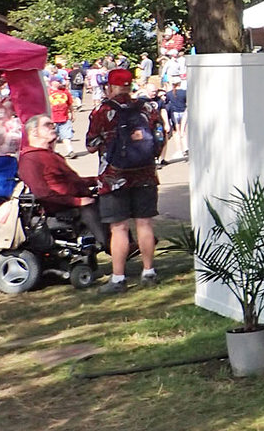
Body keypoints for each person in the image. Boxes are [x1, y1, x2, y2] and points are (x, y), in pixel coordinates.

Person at [85, 68, 165, 294]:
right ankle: (148, 272)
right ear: (130, 86)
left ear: (110, 87)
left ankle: (118, 278)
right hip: (146, 175)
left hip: (114, 179)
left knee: (119, 228)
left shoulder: (102, 111)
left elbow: (91, 145)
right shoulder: (148, 107)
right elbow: (160, 138)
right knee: (145, 224)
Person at [17, 114, 106, 250]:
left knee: (110, 198)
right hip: (59, 206)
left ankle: (124, 245)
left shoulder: (50, 155)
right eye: (48, 125)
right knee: (95, 206)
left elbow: (72, 181)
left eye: (53, 125)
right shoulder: (30, 158)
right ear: (34, 132)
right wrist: (77, 201)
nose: (53, 127)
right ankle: (110, 245)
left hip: (75, 199)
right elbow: (42, 193)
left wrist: (96, 180)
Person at [46, 79, 75, 156]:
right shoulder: (47, 92)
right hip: (52, 118)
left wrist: (73, 113)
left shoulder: (65, 92)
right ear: (52, 82)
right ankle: (51, 152)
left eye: (60, 81)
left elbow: (70, 104)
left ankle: (70, 151)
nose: (60, 83)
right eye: (58, 81)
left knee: (66, 136)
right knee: (52, 137)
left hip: (64, 117)